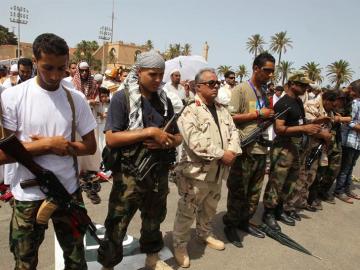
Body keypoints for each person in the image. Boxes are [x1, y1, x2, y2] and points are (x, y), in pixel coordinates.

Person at [0, 33, 97, 270]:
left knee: (76, 259)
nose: (55, 75)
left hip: (67, 191)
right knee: (25, 262)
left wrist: (67, 147)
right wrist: (45, 145)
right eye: (47, 68)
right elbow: (3, 154)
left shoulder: (76, 99)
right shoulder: (13, 97)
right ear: (34, 61)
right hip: (28, 195)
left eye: (61, 68)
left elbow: (90, 146)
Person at [97, 51, 182, 270]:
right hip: (129, 175)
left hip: (158, 172)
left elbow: (178, 136)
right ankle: (108, 264)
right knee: (117, 223)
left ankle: (152, 258)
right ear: (139, 71)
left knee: (154, 218)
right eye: (152, 74)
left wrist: (168, 141)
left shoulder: (164, 101)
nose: (157, 80)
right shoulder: (122, 98)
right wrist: (150, 132)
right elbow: (112, 138)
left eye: (160, 75)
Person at [172, 68, 241, 267]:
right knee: (187, 211)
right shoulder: (189, 109)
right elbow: (194, 140)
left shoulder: (221, 109)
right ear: (198, 86)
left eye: (217, 83)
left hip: (217, 171)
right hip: (196, 173)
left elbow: (234, 132)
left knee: (210, 206)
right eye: (211, 83)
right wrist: (222, 154)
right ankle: (179, 244)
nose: (216, 86)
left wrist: (233, 151)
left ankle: (204, 233)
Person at [222, 52, 275, 247]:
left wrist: (267, 116)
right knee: (238, 190)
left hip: (261, 149)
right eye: (267, 70)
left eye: (272, 71)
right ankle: (231, 224)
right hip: (245, 149)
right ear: (255, 68)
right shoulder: (241, 89)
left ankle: (244, 221)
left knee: (254, 191)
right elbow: (230, 117)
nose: (270, 75)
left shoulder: (264, 92)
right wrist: (257, 113)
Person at [262, 71, 321, 231]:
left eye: (306, 86)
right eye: (302, 85)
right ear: (293, 84)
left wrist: (312, 123)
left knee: (290, 181)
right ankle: (268, 213)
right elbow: (279, 128)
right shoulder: (283, 103)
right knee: (277, 182)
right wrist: (304, 128)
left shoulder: (298, 102)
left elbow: (298, 121)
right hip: (283, 148)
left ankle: (280, 209)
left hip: (295, 147)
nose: (305, 88)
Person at [334, 80, 360, 203]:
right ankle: (339, 191)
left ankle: (347, 188)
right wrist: (357, 127)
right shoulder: (354, 103)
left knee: (351, 167)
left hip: (357, 142)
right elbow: (348, 121)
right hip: (350, 140)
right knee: (345, 167)